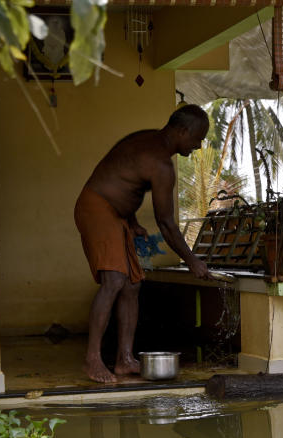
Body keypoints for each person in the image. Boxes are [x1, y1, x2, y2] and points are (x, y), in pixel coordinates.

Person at [74, 104, 213, 383]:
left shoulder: (147, 138)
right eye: (197, 138)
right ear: (182, 131)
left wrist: (132, 219)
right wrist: (192, 261)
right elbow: (166, 223)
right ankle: (93, 361)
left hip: (116, 213)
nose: (198, 146)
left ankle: (125, 360)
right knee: (114, 281)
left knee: (132, 284)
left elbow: (123, 180)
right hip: (97, 208)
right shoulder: (161, 164)